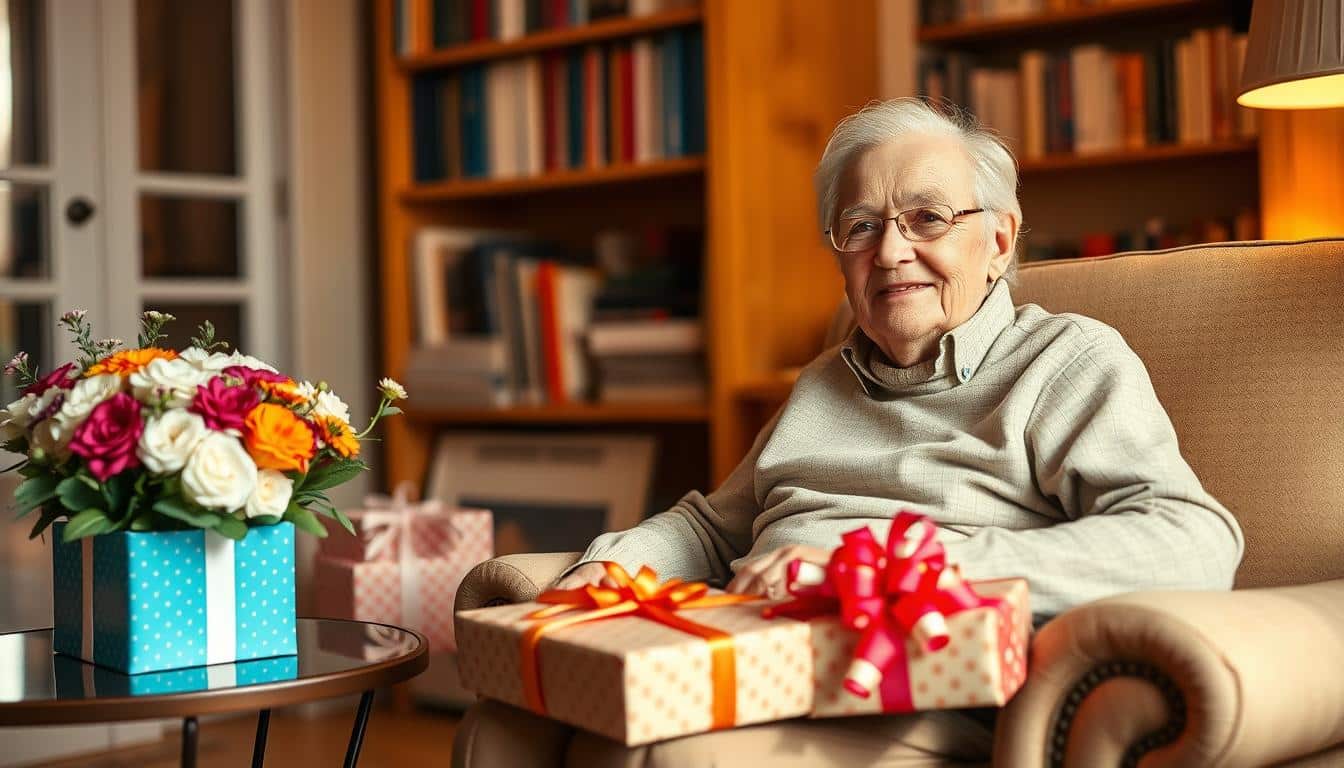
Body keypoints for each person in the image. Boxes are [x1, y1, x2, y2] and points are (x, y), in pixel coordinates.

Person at [454, 98, 1244, 767]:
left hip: (900, 693)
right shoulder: (822, 380)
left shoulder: (1066, 362)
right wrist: (610, 569)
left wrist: (892, 571)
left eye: (926, 218)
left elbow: (1194, 538)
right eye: (860, 226)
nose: (891, 252)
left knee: (663, 752)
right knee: (503, 724)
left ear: (999, 239)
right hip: (748, 655)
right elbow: (711, 526)